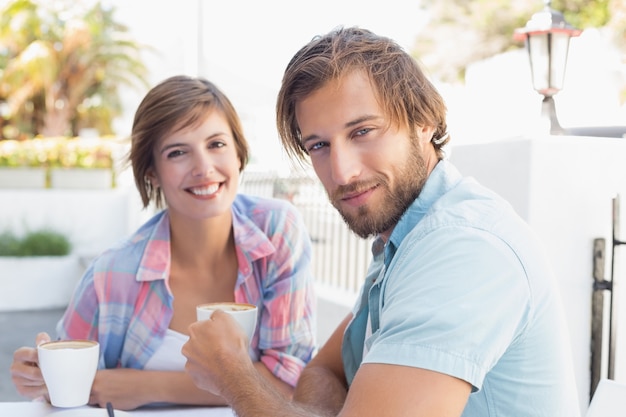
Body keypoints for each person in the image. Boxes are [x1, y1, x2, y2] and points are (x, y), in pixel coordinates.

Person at [181, 27, 581, 416]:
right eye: (318, 145)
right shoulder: (407, 235)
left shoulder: (462, 247)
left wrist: (231, 374)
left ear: (423, 122)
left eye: (363, 131)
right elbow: (325, 369)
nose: (342, 172)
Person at [10, 75, 317, 410]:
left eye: (216, 144)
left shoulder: (277, 231)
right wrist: (39, 376)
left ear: (239, 154)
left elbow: (289, 381)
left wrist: (148, 386)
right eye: (177, 152)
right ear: (151, 173)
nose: (203, 168)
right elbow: (72, 387)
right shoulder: (112, 273)